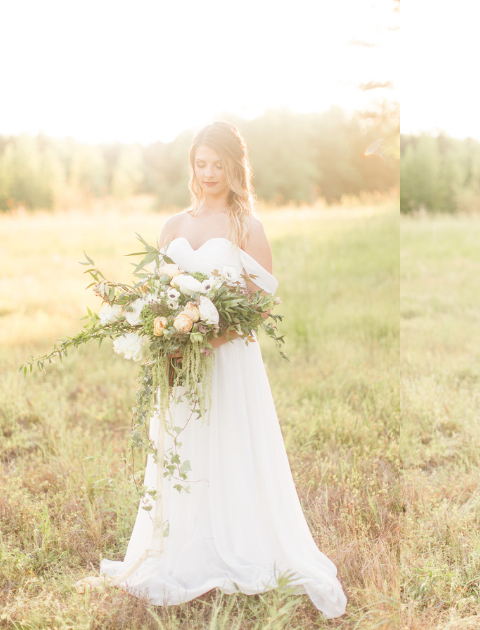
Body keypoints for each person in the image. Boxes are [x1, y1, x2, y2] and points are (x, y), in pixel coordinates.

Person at [99, 122, 347, 619]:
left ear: (235, 168)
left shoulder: (246, 227)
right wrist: (165, 338)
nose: (209, 174)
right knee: (184, 449)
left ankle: (240, 544)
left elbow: (259, 308)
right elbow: (151, 299)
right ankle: (180, 549)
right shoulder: (173, 226)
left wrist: (211, 338)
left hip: (229, 361)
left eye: (218, 165)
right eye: (201, 164)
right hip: (180, 365)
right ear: (192, 166)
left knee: (232, 449)